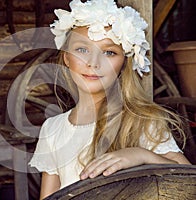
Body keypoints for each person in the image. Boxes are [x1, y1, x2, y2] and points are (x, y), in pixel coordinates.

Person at [29, 0, 191, 199]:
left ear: (123, 63)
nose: (93, 63)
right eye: (82, 49)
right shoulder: (52, 129)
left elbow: (187, 180)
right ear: (66, 58)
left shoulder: (143, 121)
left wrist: (141, 155)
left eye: (109, 52)